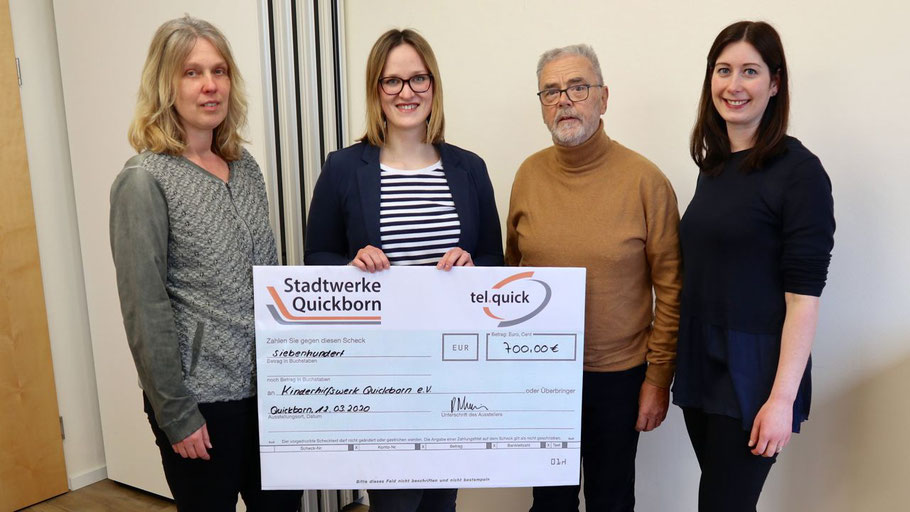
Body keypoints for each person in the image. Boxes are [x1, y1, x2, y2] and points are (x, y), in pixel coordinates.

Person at [304, 28, 503, 511]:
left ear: (434, 87)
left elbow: (496, 262)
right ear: (376, 90)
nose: (406, 92)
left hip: (453, 371)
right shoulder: (343, 168)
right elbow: (316, 259)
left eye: (418, 79)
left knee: (441, 501)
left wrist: (471, 265)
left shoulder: (469, 168)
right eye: (392, 81)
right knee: (396, 502)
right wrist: (353, 265)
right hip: (382, 376)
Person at [110, 16, 302, 511]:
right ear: (165, 84)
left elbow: (269, 278)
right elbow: (143, 306)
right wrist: (176, 413)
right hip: (202, 402)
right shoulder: (144, 180)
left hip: (270, 390)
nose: (210, 85)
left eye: (219, 71)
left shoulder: (245, 168)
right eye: (192, 73)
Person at [506, 44, 681, 512]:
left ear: (603, 98)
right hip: (541, 374)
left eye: (578, 87)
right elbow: (509, 279)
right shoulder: (527, 176)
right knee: (549, 502)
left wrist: (658, 377)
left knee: (611, 499)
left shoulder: (646, 181)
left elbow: (672, 288)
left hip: (619, 377)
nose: (564, 100)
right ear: (541, 104)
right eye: (551, 91)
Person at [672, 21, 835, 512]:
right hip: (701, 360)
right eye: (724, 70)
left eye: (750, 71)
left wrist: (781, 399)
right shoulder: (714, 166)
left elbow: (804, 296)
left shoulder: (800, 173)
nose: (734, 85)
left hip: (754, 373)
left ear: (775, 83)